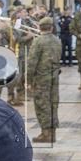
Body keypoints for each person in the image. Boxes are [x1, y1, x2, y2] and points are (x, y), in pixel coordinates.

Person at [30, 15, 63, 144]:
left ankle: (46, 133)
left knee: (42, 104)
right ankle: (53, 132)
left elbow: (32, 62)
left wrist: (27, 79)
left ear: (40, 27)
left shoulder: (38, 41)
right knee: (53, 104)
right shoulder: (57, 40)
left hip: (41, 79)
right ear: (52, 27)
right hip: (54, 78)